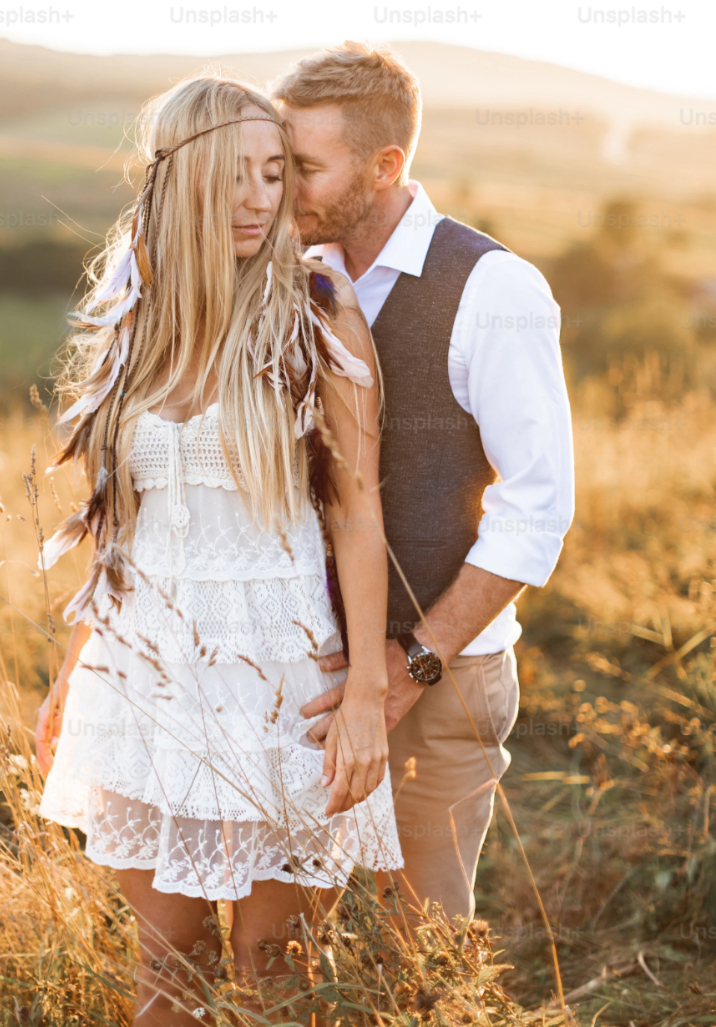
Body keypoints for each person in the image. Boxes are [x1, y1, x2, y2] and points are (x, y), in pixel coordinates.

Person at [33, 74, 403, 1027]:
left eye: (276, 173)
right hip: (143, 679)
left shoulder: (317, 307)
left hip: (277, 681)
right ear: (181, 178)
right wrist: (74, 670)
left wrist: (366, 690)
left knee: (272, 979)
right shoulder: (137, 318)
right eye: (236, 174)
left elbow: (359, 515)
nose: (259, 197)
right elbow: (121, 521)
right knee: (166, 980)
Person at [272, 42, 575, 925]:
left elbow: (535, 510)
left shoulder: (494, 288)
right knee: (294, 946)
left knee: (420, 943)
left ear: (386, 166)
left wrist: (408, 667)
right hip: (305, 675)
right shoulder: (285, 275)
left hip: (441, 679)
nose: (278, 186)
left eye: (304, 167)